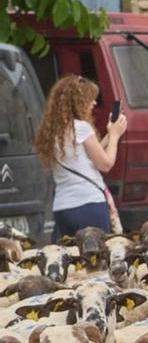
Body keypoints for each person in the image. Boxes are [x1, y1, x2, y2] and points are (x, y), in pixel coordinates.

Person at [34, 75, 124, 236]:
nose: (94, 103)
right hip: (89, 203)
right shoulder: (81, 127)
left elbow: (86, 156)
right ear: (78, 102)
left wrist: (110, 133)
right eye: (90, 99)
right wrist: (116, 136)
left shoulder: (54, 131)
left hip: (63, 208)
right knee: (97, 258)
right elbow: (105, 164)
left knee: (73, 258)